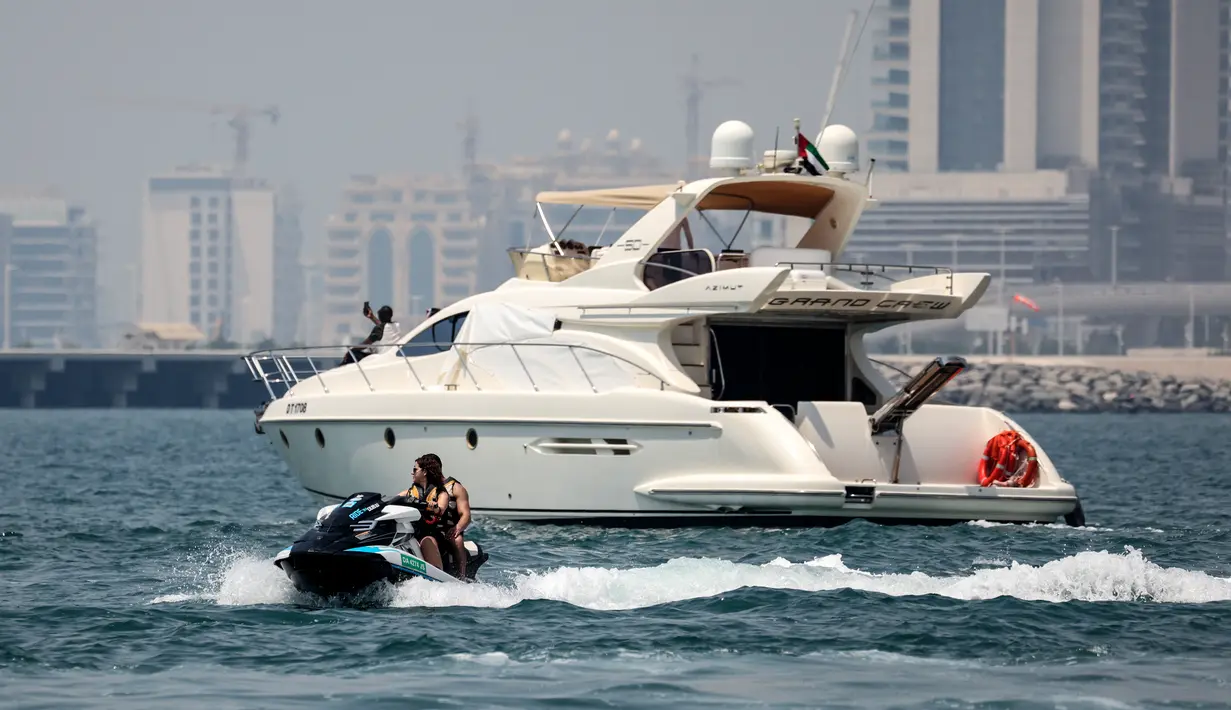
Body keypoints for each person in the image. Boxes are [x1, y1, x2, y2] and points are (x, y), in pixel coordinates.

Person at [392, 453, 451, 573]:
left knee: (427, 541)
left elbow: (440, 509)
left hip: (433, 534)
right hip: (412, 533)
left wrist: (432, 506)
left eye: (415, 469)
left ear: (424, 472)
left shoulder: (441, 494)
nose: (412, 473)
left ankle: (437, 577)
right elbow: (393, 500)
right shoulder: (409, 493)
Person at [440, 475, 473, 579]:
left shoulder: (455, 487)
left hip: (450, 529)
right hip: (433, 529)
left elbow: (466, 516)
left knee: (457, 539)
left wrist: (457, 528)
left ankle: (462, 576)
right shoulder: (423, 487)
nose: (412, 473)